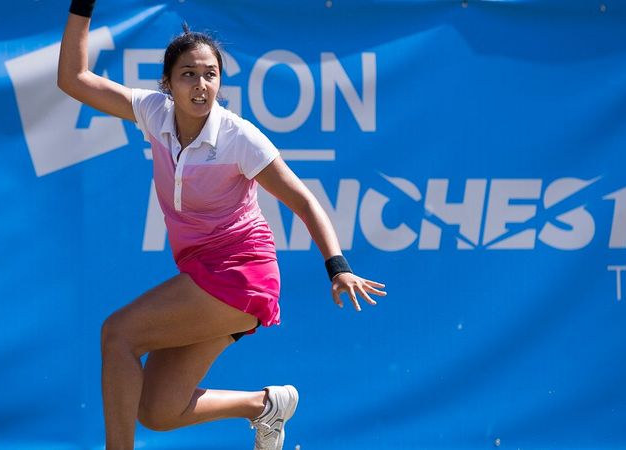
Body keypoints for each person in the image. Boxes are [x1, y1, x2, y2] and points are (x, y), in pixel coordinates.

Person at [57, 1, 387, 449]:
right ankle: (264, 405)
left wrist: (338, 266)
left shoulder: (238, 137)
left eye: (210, 74)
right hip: (202, 273)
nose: (201, 84)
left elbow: (303, 200)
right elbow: (73, 79)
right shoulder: (154, 112)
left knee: (118, 334)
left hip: (240, 273)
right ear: (169, 83)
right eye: (189, 74)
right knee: (157, 409)